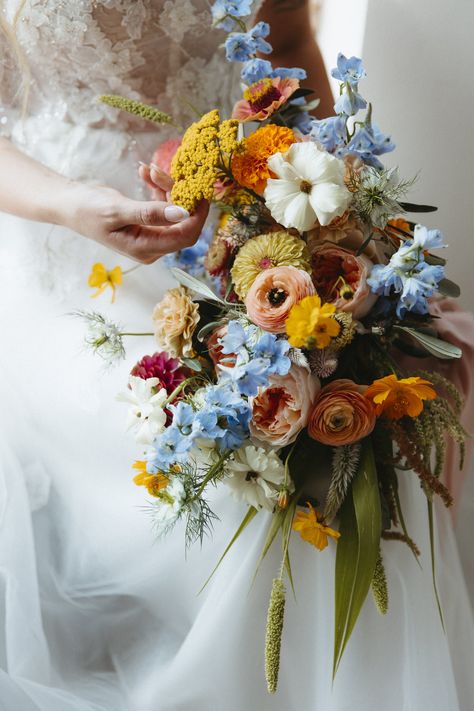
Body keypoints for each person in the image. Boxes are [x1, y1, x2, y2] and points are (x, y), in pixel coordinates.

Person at [0, 1, 472, 710]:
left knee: (360, 443)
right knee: (239, 494)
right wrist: (69, 203)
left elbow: (286, 48)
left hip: (241, 241)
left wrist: (355, 233)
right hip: (64, 261)